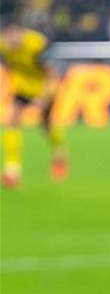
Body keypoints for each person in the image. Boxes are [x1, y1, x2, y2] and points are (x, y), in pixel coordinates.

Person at [1, 25, 68, 188]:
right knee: (12, 120)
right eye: (7, 37)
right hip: (22, 87)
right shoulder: (3, 46)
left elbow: (52, 74)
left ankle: (59, 152)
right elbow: (8, 66)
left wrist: (43, 98)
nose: (11, 41)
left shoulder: (37, 44)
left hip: (43, 87)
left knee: (46, 125)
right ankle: (12, 170)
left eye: (13, 36)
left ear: (21, 33)